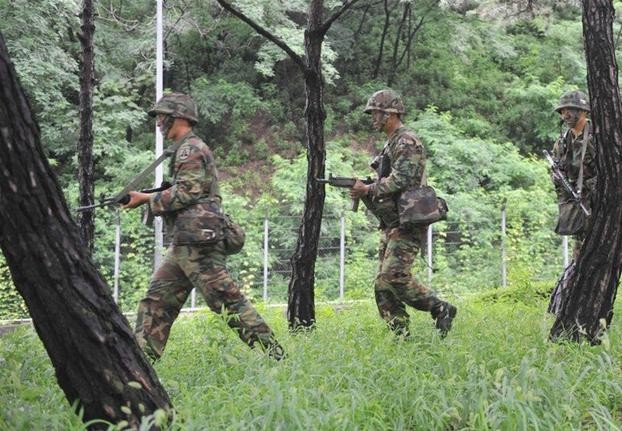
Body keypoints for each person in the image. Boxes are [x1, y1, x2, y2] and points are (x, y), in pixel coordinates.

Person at [122, 92, 284, 361]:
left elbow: (188, 191)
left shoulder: (190, 149)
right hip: (186, 242)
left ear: (179, 117)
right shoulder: (183, 149)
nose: (159, 122)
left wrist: (147, 199)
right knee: (157, 301)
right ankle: (140, 366)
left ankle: (275, 356)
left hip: (199, 243)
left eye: (163, 116)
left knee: (228, 302)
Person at [349, 89, 457, 338]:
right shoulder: (392, 143)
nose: (372, 118)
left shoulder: (406, 141)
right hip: (393, 221)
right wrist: (364, 188)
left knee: (394, 276)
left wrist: (369, 188)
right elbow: (389, 179)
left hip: (408, 221)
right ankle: (400, 336)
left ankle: (440, 308)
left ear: (389, 114)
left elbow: (403, 179)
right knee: (383, 284)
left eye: (375, 113)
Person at [547, 90, 596, 314]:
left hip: (600, 206)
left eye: (571, 110)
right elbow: (557, 176)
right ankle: (574, 307)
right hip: (579, 209)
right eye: (563, 111)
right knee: (581, 258)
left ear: (583, 111)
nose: (566, 114)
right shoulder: (563, 141)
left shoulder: (598, 136)